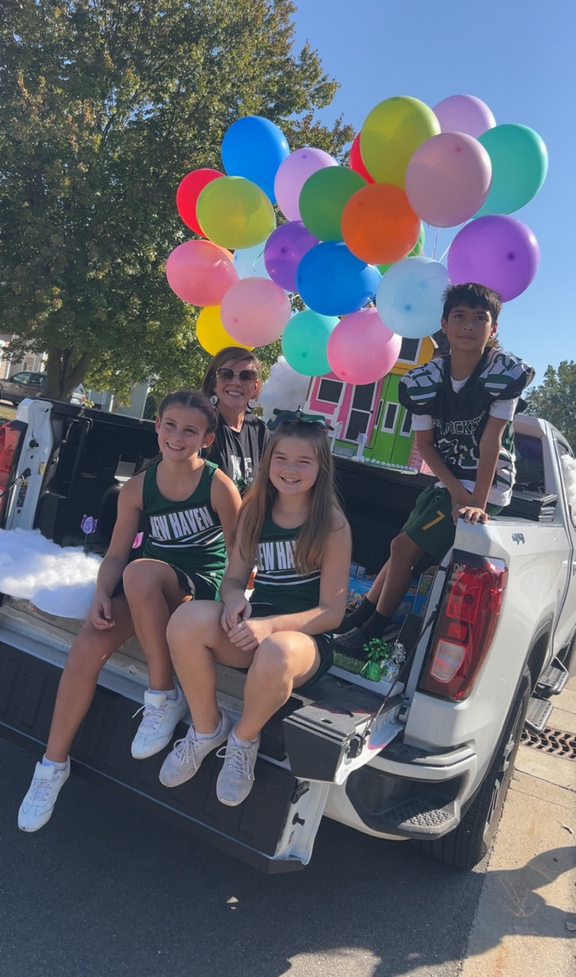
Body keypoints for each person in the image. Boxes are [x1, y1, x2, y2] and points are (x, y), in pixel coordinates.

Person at [18, 390, 241, 832]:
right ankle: (51, 766)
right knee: (87, 642)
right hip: (150, 581)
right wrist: (103, 592)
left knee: (140, 575)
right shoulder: (139, 487)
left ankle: (163, 695)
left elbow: (240, 556)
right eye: (170, 425)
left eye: (190, 430)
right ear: (156, 425)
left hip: (201, 587)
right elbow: (117, 554)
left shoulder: (218, 485)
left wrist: (235, 605)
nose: (178, 436)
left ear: (207, 439)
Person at [158, 416, 352, 807]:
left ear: (321, 467)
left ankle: (243, 740)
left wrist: (268, 627)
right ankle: (207, 728)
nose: (290, 469)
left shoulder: (331, 524)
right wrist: (233, 602)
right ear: (267, 462)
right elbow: (233, 580)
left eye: (304, 461)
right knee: (185, 620)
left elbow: (332, 612)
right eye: (281, 458)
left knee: (276, 650)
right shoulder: (254, 512)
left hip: (304, 642)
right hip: (256, 626)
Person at [334, 282, 535, 656]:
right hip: (450, 481)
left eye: (480, 318)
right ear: (444, 324)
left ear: (493, 329)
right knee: (399, 547)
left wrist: (475, 502)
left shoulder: (501, 376)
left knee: (404, 548)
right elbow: (425, 444)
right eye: (459, 316)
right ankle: (358, 618)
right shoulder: (425, 381)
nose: (468, 325)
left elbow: (491, 441)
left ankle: (371, 634)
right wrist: (456, 492)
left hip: (486, 484)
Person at [201, 346, 269, 492]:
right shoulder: (200, 425)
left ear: (255, 387)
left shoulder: (261, 431)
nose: (236, 382)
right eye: (226, 374)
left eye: (246, 376)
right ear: (214, 384)